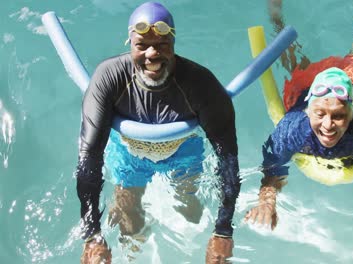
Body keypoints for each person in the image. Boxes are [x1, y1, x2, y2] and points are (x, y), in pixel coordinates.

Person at [244, 0, 353, 263]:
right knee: (291, 55)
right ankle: (275, 13)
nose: (327, 125)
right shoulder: (294, 127)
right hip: (306, 85)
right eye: (320, 114)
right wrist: (268, 201)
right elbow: (272, 168)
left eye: (338, 116)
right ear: (309, 111)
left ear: (352, 114)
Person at [76, 2, 240, 263]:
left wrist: (223, 231)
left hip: (183, 153)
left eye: (162, 44)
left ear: (173, 43)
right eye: (141, 45)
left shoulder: (201, 84)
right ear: (129, 43)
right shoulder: (109, 78)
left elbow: (228, 157)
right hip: (130, 154)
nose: (152, 54)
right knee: (129, 227)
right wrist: (92, 234)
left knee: (191, 213)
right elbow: (89, 157)